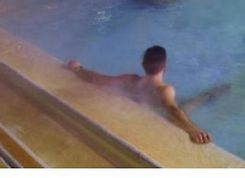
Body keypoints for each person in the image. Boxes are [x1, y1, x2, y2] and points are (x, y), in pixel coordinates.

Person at [66, 46, 212, 144]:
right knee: (192, 103)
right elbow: (173, 110)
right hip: (162, 114)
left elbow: (96, 79)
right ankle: (214, 94)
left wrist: (78, 69)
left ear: (143, 64)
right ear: (165, 65)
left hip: (140, 110)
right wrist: (193, 130)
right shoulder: (164, 90)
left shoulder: (129, 80)